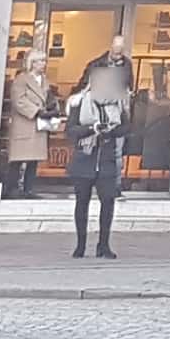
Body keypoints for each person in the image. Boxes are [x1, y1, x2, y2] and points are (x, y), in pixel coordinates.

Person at [64, 52, 130, 259]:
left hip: (107, 159)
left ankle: (104, 245)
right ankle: (80, 245)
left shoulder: (118, 104)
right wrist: (91, 129)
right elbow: (70, 131)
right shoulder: (79, 103)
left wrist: (110, 130)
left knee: (108, 202)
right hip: (85, 158)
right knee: (82, 203)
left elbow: (126, 128)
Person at [0, 45, 53, 198]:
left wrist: (51, 110)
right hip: (24, 124)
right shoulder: (21, 79)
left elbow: (48, 98)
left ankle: (28, 189)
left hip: (38, 125)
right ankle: (11, 189)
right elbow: (19, 100)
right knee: (18, 159)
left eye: (44, 61)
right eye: (40, 61)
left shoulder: (44, 81)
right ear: (33, 63)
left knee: (33, 160)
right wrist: (36, 111)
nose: (43, 64)